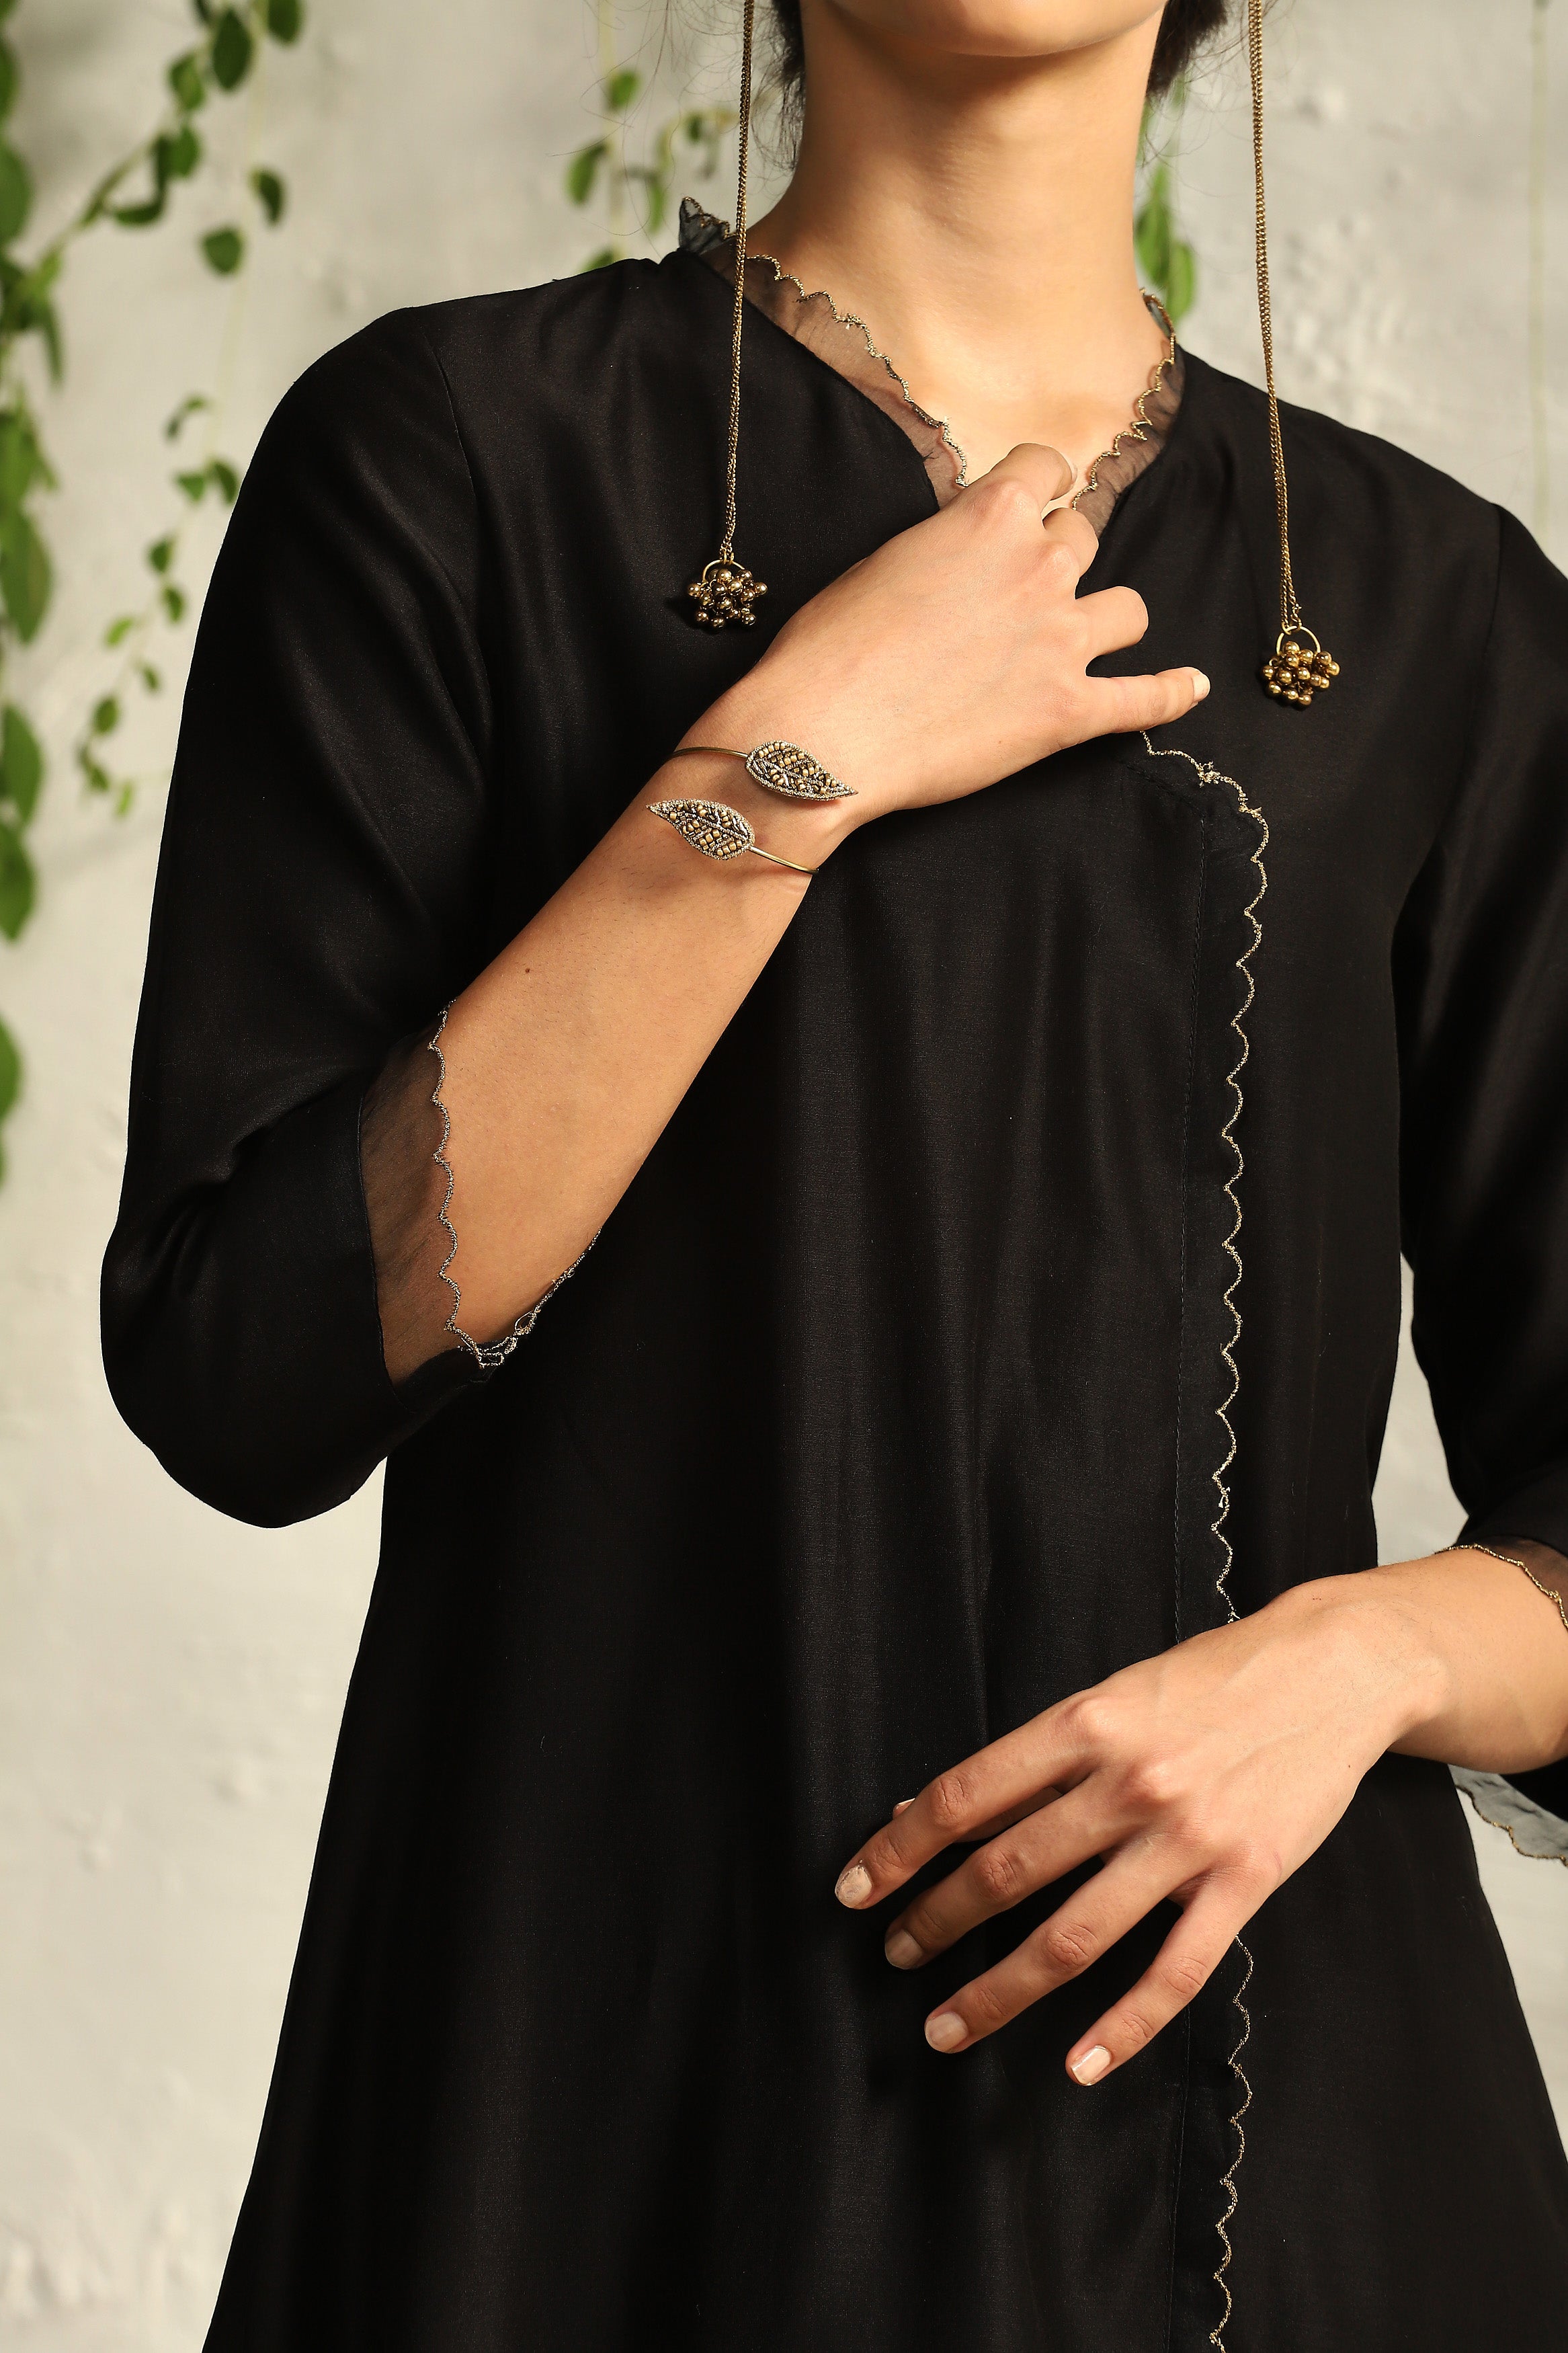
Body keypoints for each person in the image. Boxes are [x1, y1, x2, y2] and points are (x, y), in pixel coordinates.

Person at [102, 0, 1568, 2345]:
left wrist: (1365, 1654)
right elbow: (247, 1357)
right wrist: (794, 754)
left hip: (1280, 2169)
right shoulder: (451, 459)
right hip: (612, 2123)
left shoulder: (1439, 612)